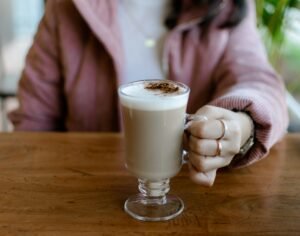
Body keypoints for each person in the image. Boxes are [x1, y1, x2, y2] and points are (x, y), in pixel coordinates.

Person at [9, 0, 288, 186]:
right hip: (89, 192)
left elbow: (259, 82)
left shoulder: (227, 6)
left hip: (195, 197)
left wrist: (241, 123)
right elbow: (32, 125)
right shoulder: (66, 9)